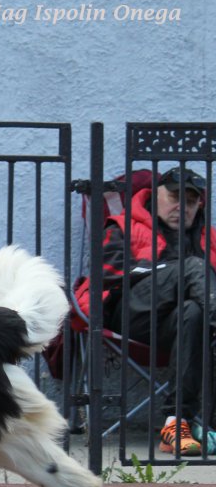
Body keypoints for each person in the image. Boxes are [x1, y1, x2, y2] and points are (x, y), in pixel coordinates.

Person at [75, 167, 216, 456]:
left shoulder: (209, 238)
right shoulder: (124, 226)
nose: (182, 207)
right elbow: (108, 279)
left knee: (192, 311)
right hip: (130, 316)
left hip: (181, 329)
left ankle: (176, 424)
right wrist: (166, 272)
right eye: (175, 197)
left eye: (190, 201)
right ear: (155, 195)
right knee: (192, 267)